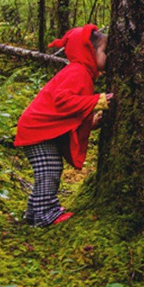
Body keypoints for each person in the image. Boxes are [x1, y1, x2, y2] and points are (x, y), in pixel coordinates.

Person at [14, 24, 113, 226]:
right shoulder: (77, 72)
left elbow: (71, 111)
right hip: (36, 131)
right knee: (49, 170)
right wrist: (97, 101)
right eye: (105, 52)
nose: (109, 57)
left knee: (49, 169)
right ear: (89, 52)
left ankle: (34, 211)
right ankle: (45, 214)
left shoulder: (82, 73)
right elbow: (63, 101)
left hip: (40, 131)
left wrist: (92, 121)